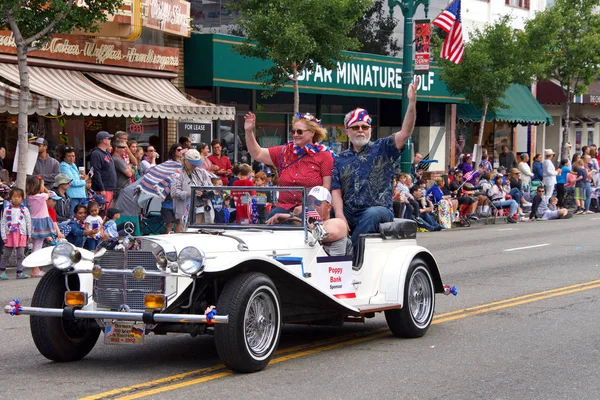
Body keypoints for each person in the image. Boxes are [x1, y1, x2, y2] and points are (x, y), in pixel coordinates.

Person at [331, 84, 417, 245]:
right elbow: (336, 191)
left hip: (379, 210)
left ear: (370, 129)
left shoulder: (383, 148)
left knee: (371, 214)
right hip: (349, 211)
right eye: (355, 127)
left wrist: (412, 103)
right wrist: (339, 214)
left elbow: (405, 133)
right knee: (323, 218)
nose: (360, 130)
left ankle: (350, 256)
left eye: (364, 127)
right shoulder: (339, 159)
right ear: (347, 131)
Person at [244, 111, 334, 218]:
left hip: (311, 209)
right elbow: (257, 153)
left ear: (312, 132)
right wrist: (249, 131)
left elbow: (325, 189)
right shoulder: (284, 151)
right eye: (293, 131)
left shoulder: (324, 155)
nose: (295, 135)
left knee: (301, 223)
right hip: (284, 206)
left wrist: (307, 206)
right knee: (270, 220)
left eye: (300, 132)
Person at [171, 149, 214, 230]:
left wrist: (206, 193)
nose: (195, 166)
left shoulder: (202, 172)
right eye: (192, 164)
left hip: (203, 210)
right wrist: (191, 193)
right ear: (185, 161)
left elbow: (210, 187)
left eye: (197, 163)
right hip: (187, 212)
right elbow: (174, 193)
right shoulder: (178, 174)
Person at [26, 175, 57, 277]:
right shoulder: (41, 196)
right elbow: (48, 193)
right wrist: (43, 185)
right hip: (40, 222)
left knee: (36, 245)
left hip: (34, 221)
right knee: (38, 246)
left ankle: (36, 268)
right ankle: (35, 270)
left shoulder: (29, 197)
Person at [0, 188, 32, 280]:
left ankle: (19, 272)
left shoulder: (25, 210)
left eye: (19, 197)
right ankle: (1, 271)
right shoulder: (7, 210)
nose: (16, 199)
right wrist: (3, 236)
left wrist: (29, 235)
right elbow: (3, 223)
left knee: (21, 254)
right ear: (10, 198)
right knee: (6, 253)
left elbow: (28, 222)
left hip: (21, 234)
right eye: (14, 197)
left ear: (22, 198)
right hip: (9, 233)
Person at [89, 131, 117, 207]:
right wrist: (101, 188)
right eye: (109, 138)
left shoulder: (105, 153)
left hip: (109, 187)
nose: (110, 140)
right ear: (104, 140)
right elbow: (96, 171)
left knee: (108, 210)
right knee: (104, 211)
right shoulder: (96, 153)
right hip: (103, 188)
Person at [59, 146, 88, 213]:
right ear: (64, 157)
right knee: (74, 215)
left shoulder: (73, 165)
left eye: (73, 156)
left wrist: (81, 176)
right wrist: (84, 180)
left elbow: (76, 178)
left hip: (79, 194)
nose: (72, 158)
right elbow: (72, 182)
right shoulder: (63, 166)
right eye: (69, 156)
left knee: (82, 215)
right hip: (72, 195)